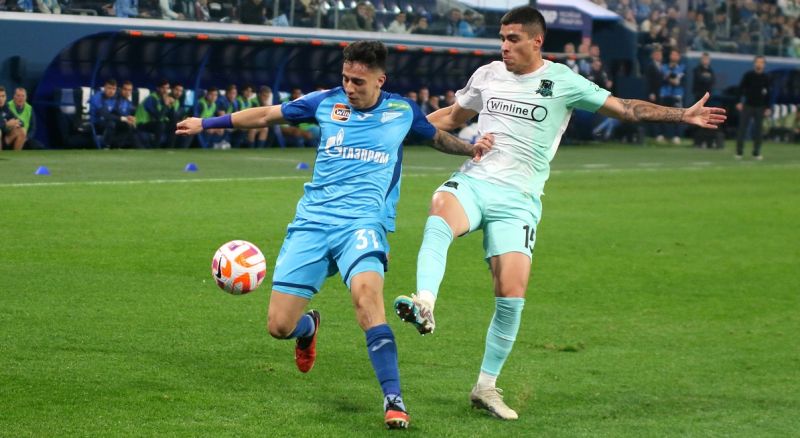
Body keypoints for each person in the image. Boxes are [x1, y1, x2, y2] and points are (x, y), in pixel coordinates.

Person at [392, 6, 726, 421]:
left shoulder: (563, 81)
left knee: (511, 294)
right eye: (502, 38)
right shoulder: (487, 75)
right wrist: (397, 130)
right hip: (475, 181)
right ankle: (424, 302)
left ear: (537, 42)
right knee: (441, 208)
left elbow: (625, 108)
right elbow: (452, 117)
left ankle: (486, 387)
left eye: (513, 39)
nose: (504, 46)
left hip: (520, 199)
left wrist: (682, 115)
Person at [176, 40, 491, 429]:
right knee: (279, 326)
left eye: (358, 81)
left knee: (367, 301)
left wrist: (470, 149)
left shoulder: (401, 111)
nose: (349, 87)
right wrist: (207, 123)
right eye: (345, 78)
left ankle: (394, 400)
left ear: (380, 80)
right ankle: (308, 328)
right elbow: (267, 115)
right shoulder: (324, 103)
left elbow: (436, 137)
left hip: (363, 225)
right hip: (311, 224)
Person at [736, 56, 771, 160]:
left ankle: (756, 152)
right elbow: (740, 89)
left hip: (760, 107)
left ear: (764, 65)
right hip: (748, 106)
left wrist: (768, 107)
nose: (759, 64)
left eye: (761, 62)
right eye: (757, 62)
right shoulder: (748, 75)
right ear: (754, 63)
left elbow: (768, 94)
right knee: (742, 129)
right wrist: (738, 102)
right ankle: (739, 152)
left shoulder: (766, 77)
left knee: (758, 131)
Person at [692, 52, 720, 149]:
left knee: (707, 120)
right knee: (697, 119)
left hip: (708, 99)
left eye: (707, 59)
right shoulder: (697, 70)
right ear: (701, 60)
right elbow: (701, 80)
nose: (705, 61)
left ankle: (707, 141)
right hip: (699, 98)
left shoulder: (711, 70)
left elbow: (711, 81)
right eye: (704, 59)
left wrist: (706, 77)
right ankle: (698, 142)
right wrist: (706, 77)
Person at [0, 86, 26, 151]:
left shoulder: (5, 108)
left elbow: (21, 122)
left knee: (22, 131)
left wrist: (15, 123)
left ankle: (15, 156)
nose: (1, 99)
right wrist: (7, 124)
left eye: (3, 96)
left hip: (4, 139)